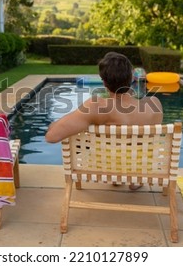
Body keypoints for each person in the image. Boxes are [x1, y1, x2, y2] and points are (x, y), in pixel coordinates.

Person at [45, 52, 163, 190]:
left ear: (104, 81)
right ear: (131, 78)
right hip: (142, 167)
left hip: (105, 166)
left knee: (79, 135)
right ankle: (134, 179)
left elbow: (51, 137)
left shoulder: (97, 106)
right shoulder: (154, 104)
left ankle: (118, 175)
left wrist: (57, 125)